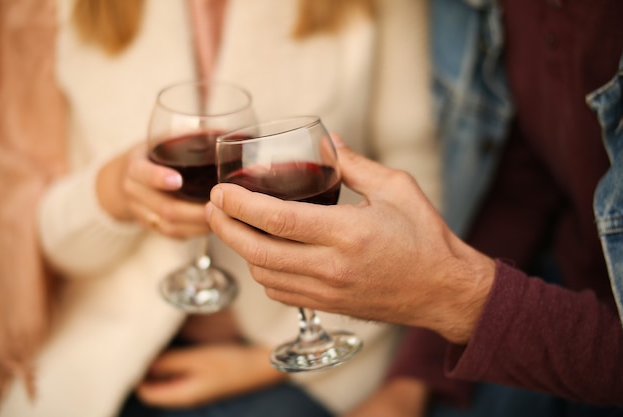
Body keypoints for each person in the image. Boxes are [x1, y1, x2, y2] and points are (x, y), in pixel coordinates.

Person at [0, 0, 440, 416]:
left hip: (313, 363)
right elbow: (43, 248)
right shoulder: (60, 9)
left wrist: (261, 361)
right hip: (106, 365)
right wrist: (113, 191)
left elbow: (421, 211)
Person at [204, 0, 623, 414]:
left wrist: (450, 296)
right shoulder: (490, 10)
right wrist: (417, 372)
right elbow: (521, 182)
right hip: (542, 302)